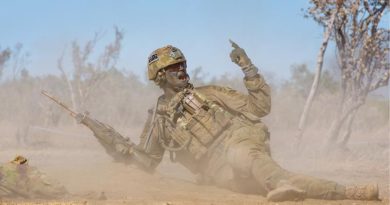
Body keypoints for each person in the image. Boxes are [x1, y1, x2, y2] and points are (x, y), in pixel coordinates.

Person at [85, 42, 379, 202]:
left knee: (244, 157)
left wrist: (248, 68)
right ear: (160, 76)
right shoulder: (158, 121)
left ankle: (286, 185)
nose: (183, 71)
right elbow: (146, 161)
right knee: (269, 183)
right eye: (175, 68)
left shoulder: (209, 94)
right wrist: (105, 136)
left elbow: (260, 107)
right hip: (218, 171)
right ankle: (351, 193)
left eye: (183, 65)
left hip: (241, 142)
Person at [0, 155, 68, 199]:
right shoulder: (8, 171)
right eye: (19, 166)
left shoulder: (34, 175)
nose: (21, 167)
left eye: (23, 166)